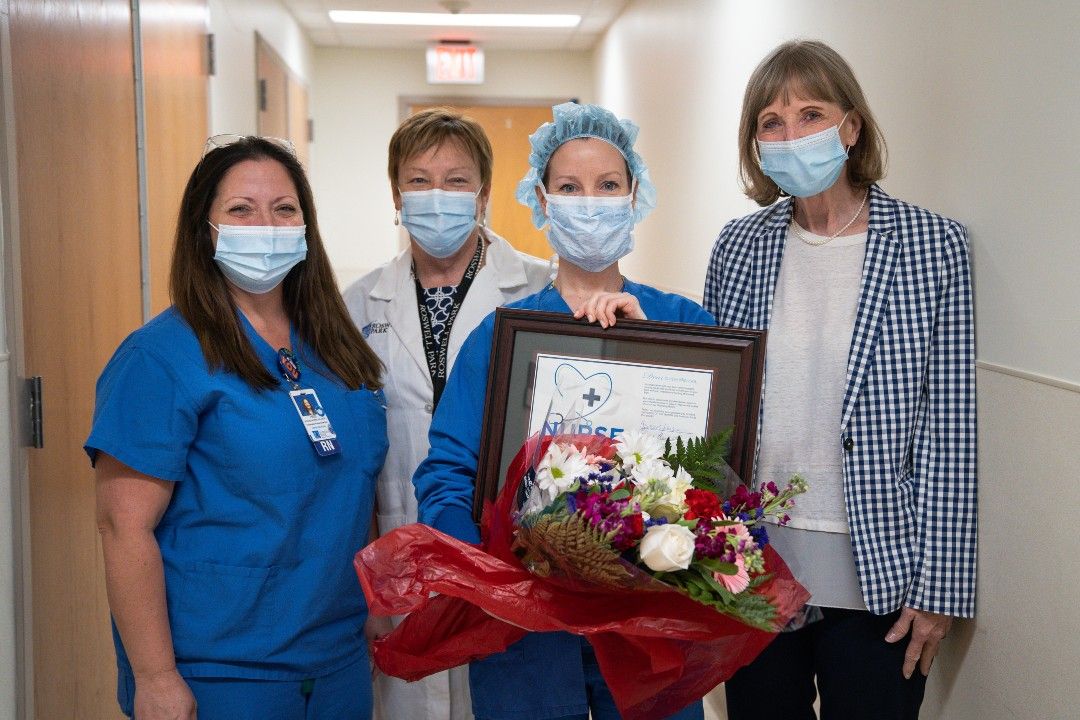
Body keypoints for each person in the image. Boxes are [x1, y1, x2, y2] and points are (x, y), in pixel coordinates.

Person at [412, 102, 712, 720]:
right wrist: (495, 578)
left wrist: (650, 352)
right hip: (528, 647)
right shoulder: (501, 340)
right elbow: (447, 474)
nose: (590, 202)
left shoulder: (685, 328)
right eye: (570, 188)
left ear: (636, 196)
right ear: (542, 203)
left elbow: (720, 481)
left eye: (608, 186)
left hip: (648, 642)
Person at [703, 41, 976, 719]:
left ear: (851, 128)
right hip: (755, 570)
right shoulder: (738, 247)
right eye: (771, 122)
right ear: (755, 145)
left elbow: (951, 426)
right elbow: (715, 405)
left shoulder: (931, 246)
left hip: (881, 574)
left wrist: (939, 586)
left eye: (810, 114)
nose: (791, 135)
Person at [87, 135, 388, 720]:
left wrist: (373, 607)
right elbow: (121, 528)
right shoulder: (160, 357)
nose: (266, 225)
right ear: (206, 229)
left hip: (338, 659)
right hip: (219, 672)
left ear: (306, 226)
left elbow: (358, 483)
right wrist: (154, 677)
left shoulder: (336, 347)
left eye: (284, 209)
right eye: (240, 210)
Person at [343, 107, 553, 720]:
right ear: (396, 194)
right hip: (398, 553)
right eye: (420, 180)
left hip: (511, 561)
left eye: (457, 181)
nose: (438, 196)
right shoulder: (356, 305)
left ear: (485, 194)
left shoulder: (540, 291)